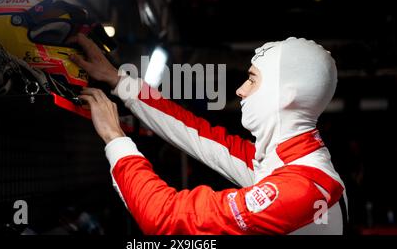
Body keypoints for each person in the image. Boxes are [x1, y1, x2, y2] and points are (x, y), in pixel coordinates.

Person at [70, 35, 348, 235]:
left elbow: (164, 219)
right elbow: (198, 134)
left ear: (286, 97)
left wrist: (115, 139)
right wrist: (119, 81)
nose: (241, 90)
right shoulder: (289, 161)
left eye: (252, 79)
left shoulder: (302, 189)